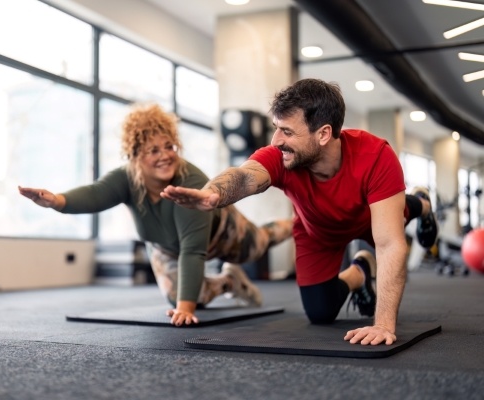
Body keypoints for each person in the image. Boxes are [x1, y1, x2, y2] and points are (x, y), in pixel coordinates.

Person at [161, 78, 439, 345]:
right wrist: (213, 194)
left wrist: (383, 324)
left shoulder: (375, 156)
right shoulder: (281, 156)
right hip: (317, 232)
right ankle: (360, 271)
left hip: (369, 218)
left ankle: (422, 203)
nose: (276, 140)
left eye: (287, 132)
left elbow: (390, 244)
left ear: (324, 134)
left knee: (399, 210)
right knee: (320, 312)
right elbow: (246, 177)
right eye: (276, 128)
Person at [19, 103, 293, 327]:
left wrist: (187, 310)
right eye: (153, 150)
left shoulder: (191, 180)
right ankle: (229, 282)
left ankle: (296, 223)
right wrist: (56, 200)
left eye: (169, 147)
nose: (165, 156)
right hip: (164, 247)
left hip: (220, 234)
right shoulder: (126, 179)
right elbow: (95, 194)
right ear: (135, 155)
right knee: (177, 298)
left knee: (259, 243)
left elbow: (193, 251)